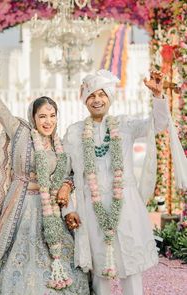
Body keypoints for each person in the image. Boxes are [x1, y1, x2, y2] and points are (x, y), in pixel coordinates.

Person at [0, 51, 89, 295]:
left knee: (63, 262)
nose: (47, 121)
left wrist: (66, 185)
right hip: (19, 205)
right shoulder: (20, 133)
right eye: (42, 116)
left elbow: (70, 173)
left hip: (50, 211)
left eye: (52, 116)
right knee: (10, 256)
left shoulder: (60, 146)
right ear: (33, 117)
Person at [61, 69, 187, 295]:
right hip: (92, 207)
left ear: (110, 98)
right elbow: (65, 175)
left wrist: (158, 97)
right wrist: (70, 208)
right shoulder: (74, 133)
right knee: (100, 269)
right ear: (84, 100)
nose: (97, 100)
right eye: (91, 95)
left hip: (125, 206)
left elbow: (157, 124)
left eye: (102, 94)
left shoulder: (125, 124)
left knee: (130, 266)